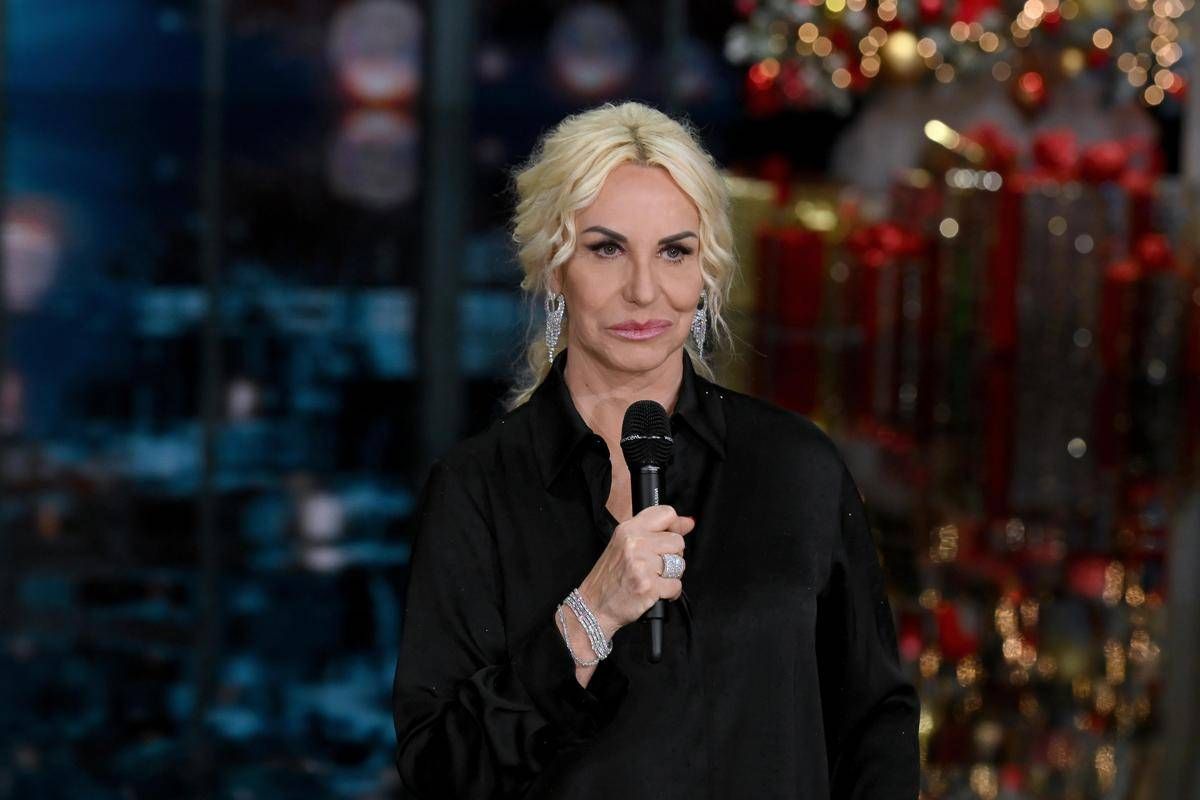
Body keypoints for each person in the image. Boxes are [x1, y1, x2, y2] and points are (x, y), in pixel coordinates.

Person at [392, 101, 920, 799]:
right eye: (606, 249)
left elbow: (875, 724)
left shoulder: (795, 465)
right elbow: (439, 771)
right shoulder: (478, 488)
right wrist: (589, 617)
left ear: (706, 272)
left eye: (674, 251)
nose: (644, 291)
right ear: (554, 267)